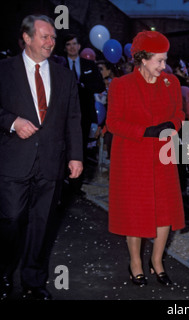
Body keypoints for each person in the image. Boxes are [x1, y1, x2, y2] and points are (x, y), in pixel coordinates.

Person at [0, 15, 83, 300]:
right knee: (11, 219)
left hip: (51, 162)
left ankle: (33, 281)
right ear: (26, 37)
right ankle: (3, 274)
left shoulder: (63, 74)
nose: (51, 43)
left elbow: (73, 117)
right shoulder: (4, 70)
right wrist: (12, 122)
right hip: (13, 161)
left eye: (53, 38)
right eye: (45, 37)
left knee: (42, 223)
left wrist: (76, 156)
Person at [106, 30, 185, 287]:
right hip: (132, 157)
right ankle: (136, 263)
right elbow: (113, 123)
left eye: (165, 60)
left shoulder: (171, 83)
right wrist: (145, 131)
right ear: (142, 58)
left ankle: (157, 261)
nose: (164, 66)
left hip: (163, 155)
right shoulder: (121, 84)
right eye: (159, 61)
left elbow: (179, 113)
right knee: (136, 213)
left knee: (165, 212)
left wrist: (171, 125)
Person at [64, 34, 105, 193]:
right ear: (65, 47)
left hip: (84, 115)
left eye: (74, 44)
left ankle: (76, 185)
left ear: (79, 46)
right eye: (68, 44)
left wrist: (82, 85)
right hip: (63, 114)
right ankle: (63, 182)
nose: (72, 47)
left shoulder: (89, 64)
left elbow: (100, 86)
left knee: (79, 149)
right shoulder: (59, 64)